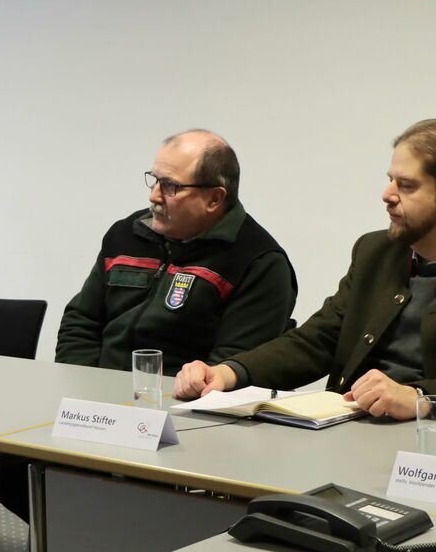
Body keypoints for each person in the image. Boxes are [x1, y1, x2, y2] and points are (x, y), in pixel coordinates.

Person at [174, 119, 436, 421]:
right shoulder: (376, 252)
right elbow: (319, 339)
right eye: (390, 179)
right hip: (352, 430)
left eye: (406, 185)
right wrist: (229, 373)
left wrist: (420, 398)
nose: (387, 194)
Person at [54, 129, 297, 376]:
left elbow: (231, 367)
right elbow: (81, 321)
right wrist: (86, 388)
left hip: (185, 406)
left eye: (170, 186)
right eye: (155, 180)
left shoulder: (259, 262)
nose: (154, 195)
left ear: (214, 198)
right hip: (102, 400)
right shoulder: (125, 235)